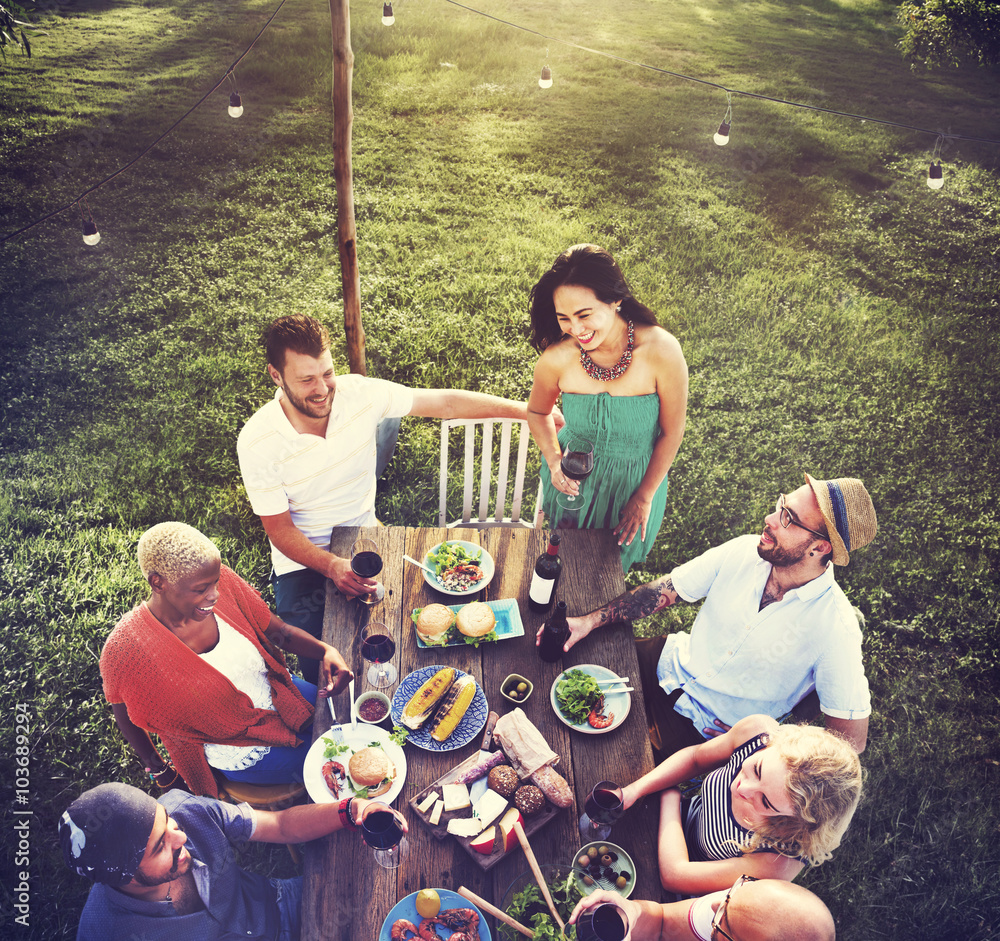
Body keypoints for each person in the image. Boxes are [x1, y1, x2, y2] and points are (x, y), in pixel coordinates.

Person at [237, 314, 553, 685]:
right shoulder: (258, 442)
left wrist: (528, 412)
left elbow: (446, 403)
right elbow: (280, 531)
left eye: (327, 373)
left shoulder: (359, 393)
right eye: (306, 380)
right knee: (326, 666)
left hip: (365, 534)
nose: (323, 388)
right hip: (303, 563)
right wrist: (332, 566)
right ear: (276, 376)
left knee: (409, 632)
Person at [541, 474, 877, 755]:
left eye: (788, 518)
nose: (770, 519)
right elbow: (666, 591)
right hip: (668, 664)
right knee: (557, 675)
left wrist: (769, 742)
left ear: (819, 548)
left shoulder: (836, 628)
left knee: (595, 760)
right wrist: (587, 622)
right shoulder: (745, 550)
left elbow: (850, 743)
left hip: (703, 732)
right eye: (781, 505)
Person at [101, 522, 353, 798]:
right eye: (200, 589)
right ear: (158, 583)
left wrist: (325, 651)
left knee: (355, 723)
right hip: (237, 743)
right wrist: (160, 771)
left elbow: (278, 632)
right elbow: (124, 716)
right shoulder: (126, 649)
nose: (215, 595)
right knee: (341, 761)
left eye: (215, 582)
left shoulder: (222, 581)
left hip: (279, 693)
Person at [60, 781, 405, 941]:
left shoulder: (188, 811)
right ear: (124, 878)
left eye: (167, 822)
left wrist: (352, 809)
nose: (181, 838)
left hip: (281, 904)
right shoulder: (105, 932)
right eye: (159, 847)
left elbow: (281, 825)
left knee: (393, 901)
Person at [526, 244, 688, 572]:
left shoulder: (662, 351)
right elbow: (537, 412)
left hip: (635, 485)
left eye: (584, 315)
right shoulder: (557, 358)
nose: (576, 329)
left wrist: (644, 497)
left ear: (615, 300)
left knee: (610, 574)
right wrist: (556, 462)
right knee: (561, 563)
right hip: (574, 480)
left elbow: (673, 432)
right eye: (564, 319)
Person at [619, 714, 862, 894]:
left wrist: (670, 798)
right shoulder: (757, 735)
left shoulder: (780, 859)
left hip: (673, 886)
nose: (743, 789)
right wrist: (634, 790)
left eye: (766, 801)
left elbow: (675, 876)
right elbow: (695, 759)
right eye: (757, 769)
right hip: (668, 818)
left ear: (794, 822)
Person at [569, 878, 836, 941]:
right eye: (735, 892)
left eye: (724, 922)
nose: (714, 905)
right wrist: (631, 912)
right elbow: (663, 922)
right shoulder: (736, 907)